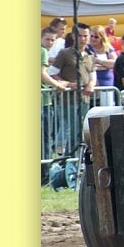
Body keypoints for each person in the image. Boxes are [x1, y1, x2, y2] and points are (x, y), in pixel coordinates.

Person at [53, 22, 96, 155]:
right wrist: (69, 84)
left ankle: (77, 158)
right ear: (73, 36)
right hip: (68, 100)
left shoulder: (90, 55)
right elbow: (52, 74)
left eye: (86, 36)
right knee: (71, 131)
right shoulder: (64, 53)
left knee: (81, 132)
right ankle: (68, 158)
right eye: (80, 36)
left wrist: (91, 85)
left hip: (85, 100)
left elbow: (93, 76)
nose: (83, 39)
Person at [41, 27, 69, 159]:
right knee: (46, 138)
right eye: (47, 39)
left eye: (53, 40)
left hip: (44, 98)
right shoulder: (42, 52)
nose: (50, 42)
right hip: (43, 101)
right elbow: (42, 74)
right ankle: (45, 169)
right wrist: (58, 85)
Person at [89, 25, 117, 105]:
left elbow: (115, 63)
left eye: (96, 37)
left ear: (102, 37)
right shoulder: (87, 48)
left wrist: (98, 61)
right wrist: (106, 65)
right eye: (91, 36)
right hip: (94, 84)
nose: (93, 39)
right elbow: (89, 66)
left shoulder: (108, 48)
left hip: (107, 83)